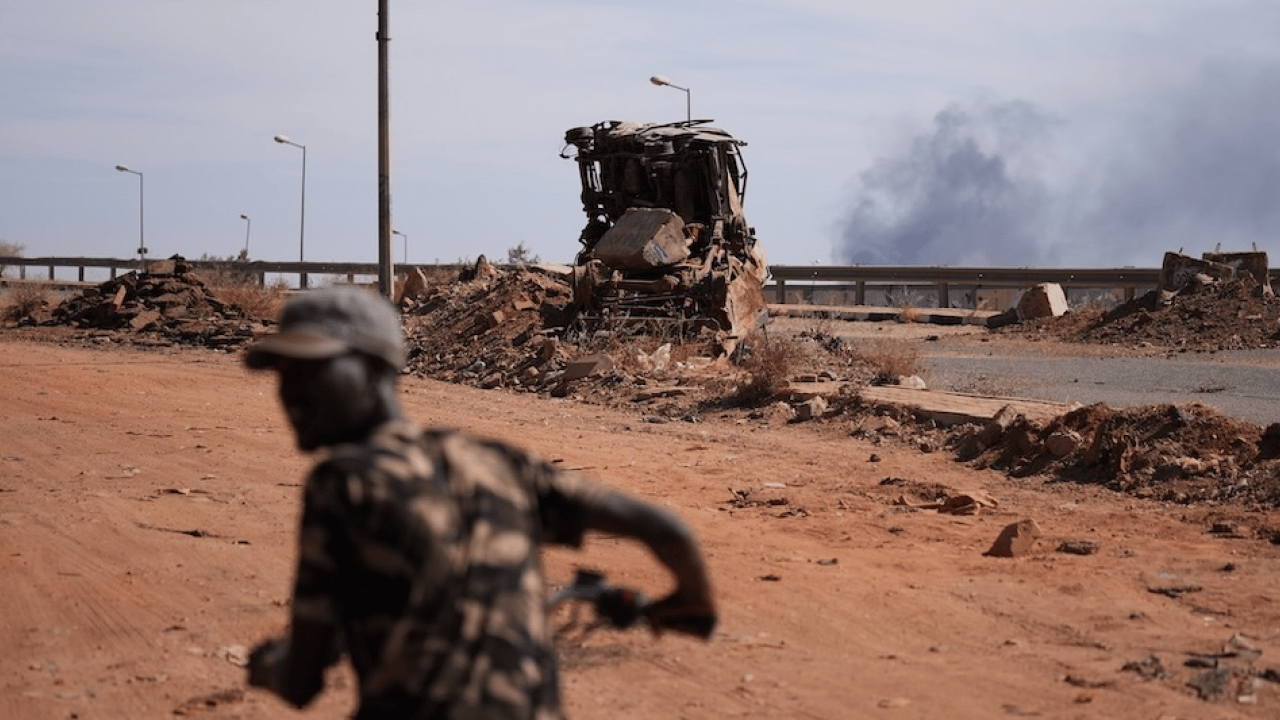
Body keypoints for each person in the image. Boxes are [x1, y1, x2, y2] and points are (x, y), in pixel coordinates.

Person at [243, 286, 716, 719]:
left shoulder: (343, 482)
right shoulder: (497, 462)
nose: (290, 390)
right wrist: (691, 604)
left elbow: (302, 683)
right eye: (282, 373)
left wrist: (266, 666)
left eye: (310, 370)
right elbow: (667, 530)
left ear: (373, 369)